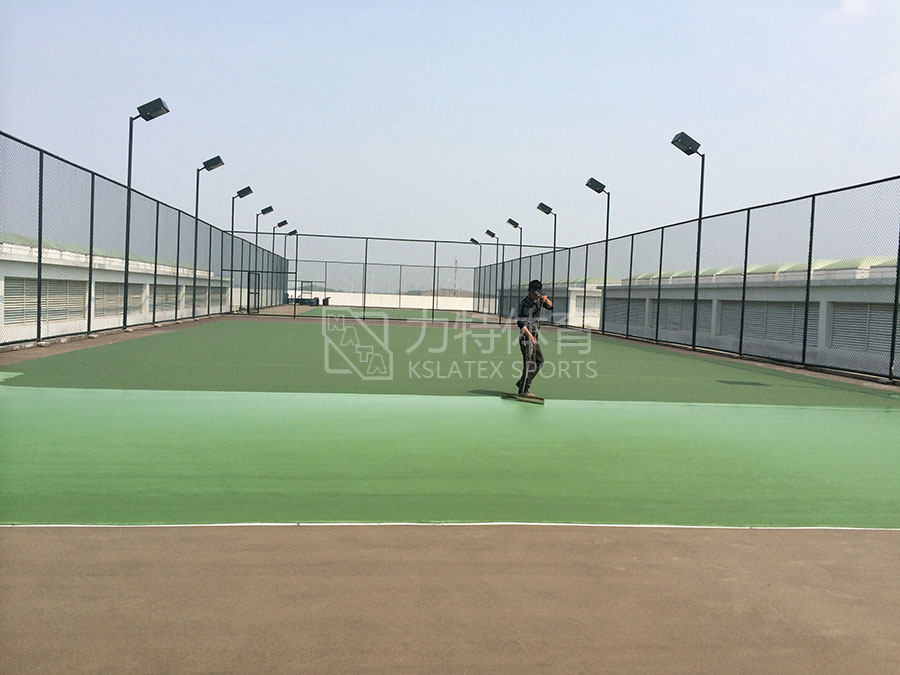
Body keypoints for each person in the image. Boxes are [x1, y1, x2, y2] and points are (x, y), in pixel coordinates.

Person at [515, 279, 552, 397]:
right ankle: (524, 390)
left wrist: (546, 299)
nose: (536, 298)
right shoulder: (524, 305)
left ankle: (522, 382)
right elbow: (522, 325)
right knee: (529, 363)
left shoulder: (539, 299)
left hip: (534, 337)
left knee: (540, 361)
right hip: (526, 338)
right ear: (529, 291)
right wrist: (530, 337)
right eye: (534, 295)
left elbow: (550, 306)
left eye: (538, 295)